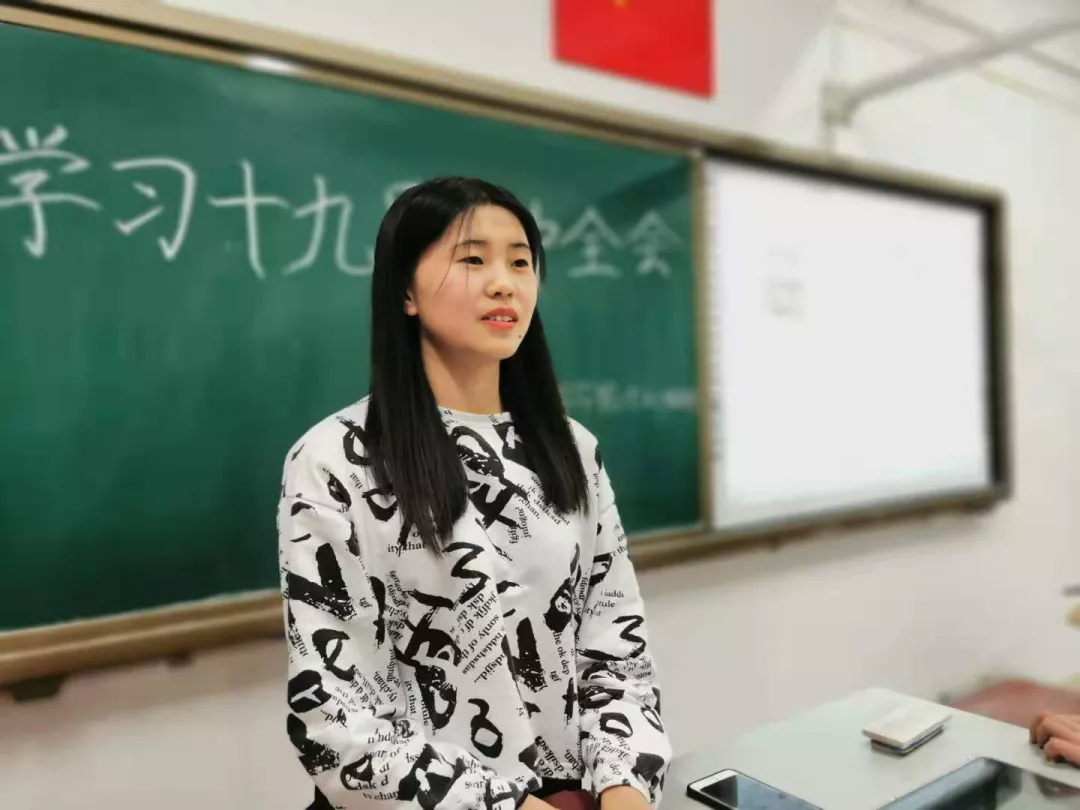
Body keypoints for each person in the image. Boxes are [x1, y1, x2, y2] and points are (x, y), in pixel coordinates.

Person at [277, 177, 670, 810]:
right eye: (473, 259)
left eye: (520, 262)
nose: (504, 283)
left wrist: (626, 786)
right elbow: (338, 721)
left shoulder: (572, 449)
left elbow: (616, 646)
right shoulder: (335, 461)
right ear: (405, 291)